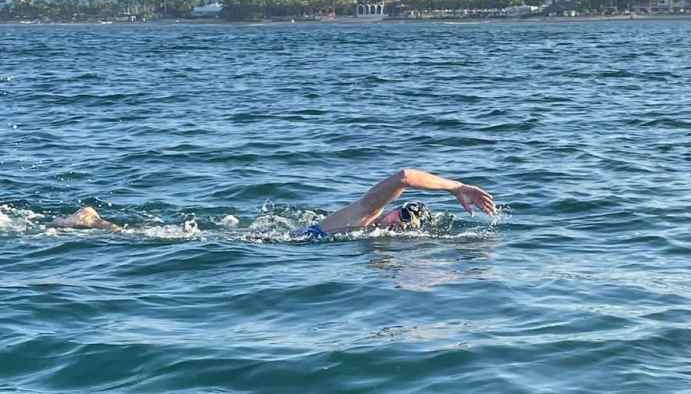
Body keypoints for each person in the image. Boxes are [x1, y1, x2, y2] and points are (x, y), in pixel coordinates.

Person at [54, 169, 496, 239]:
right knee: (162, 239)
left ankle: (95, 222)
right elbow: (402, 177)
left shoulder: (369, 232)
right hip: (272, 242)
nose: (402, 222)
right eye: (405, 216)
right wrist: (457, 186)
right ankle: (93, 221)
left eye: (407, 224)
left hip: (277, 239)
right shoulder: (364, 216)